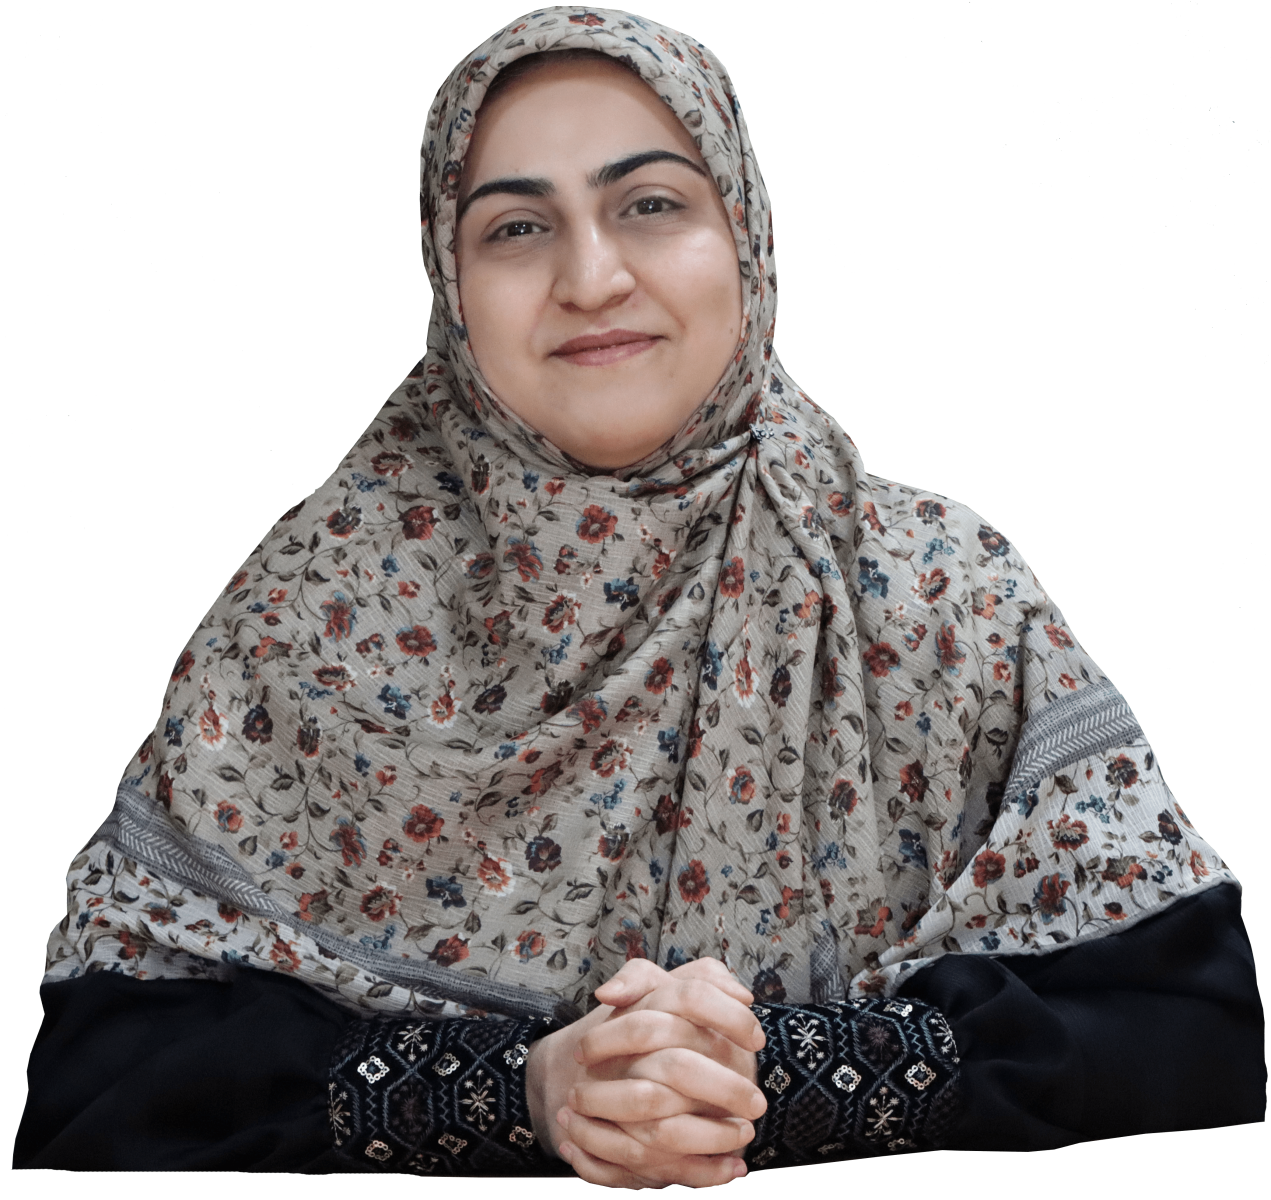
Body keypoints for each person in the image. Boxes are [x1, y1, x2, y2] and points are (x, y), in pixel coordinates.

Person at [13, 6, 1263, 1184]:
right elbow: (103, 1083)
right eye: (516, 227)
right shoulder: (305, 627)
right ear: (449, 282)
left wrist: (773, 1075)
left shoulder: (936, 595)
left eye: (650, 205)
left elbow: (1188, 1031)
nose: (591, 276)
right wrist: (519, 1088)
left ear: (745, 238)